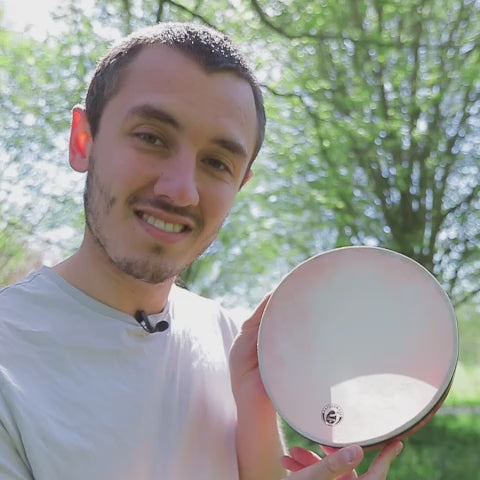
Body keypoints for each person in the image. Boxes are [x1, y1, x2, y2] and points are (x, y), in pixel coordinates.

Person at [0, 22, 402, 480]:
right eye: (152, 137)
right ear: (83, 141)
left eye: (216, 163)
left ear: (240, 185)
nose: (180, 191)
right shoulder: (10, 356)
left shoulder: (234, 343)